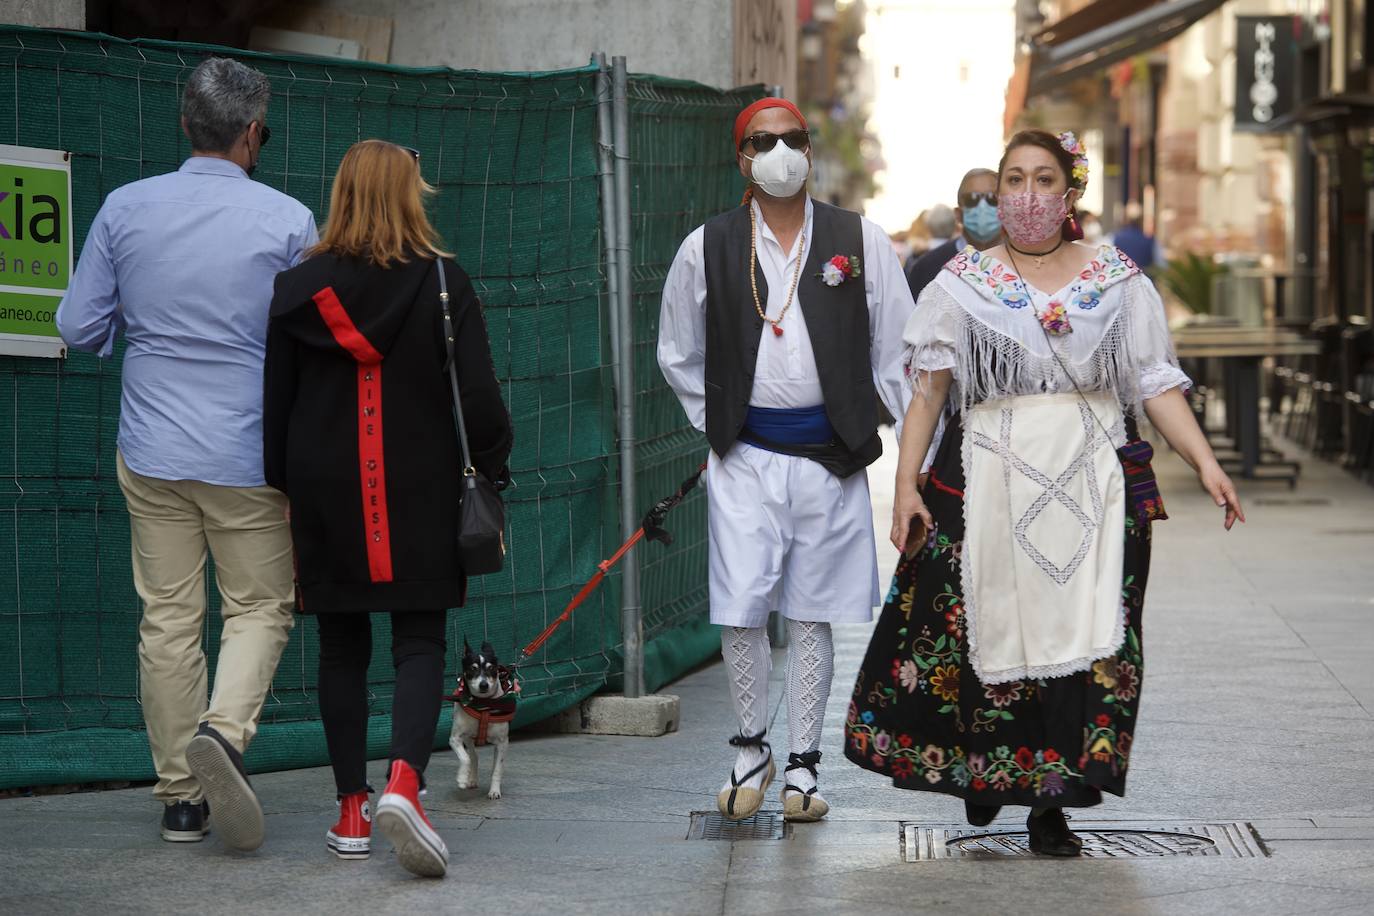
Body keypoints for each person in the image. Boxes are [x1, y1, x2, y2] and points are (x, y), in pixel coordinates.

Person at [845, 129, 1245, 856]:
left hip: (1094, 485)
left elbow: (1155, 383)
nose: (1027, 195)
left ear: (1071, 193)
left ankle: (1048, 804)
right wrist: (906, 486)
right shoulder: (963, 286)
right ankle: (987, 772)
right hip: (983, 474)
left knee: (1084, 640)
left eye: (1043, 179)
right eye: (1015, 180)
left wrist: (1208, 463)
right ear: (998, 192)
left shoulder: (1117, 281)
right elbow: (928, 396)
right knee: (980, 626)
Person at [55, 57, 316, 851]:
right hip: (247, 450)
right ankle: (225, 737)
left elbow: (77, 327)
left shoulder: (125, 209)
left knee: (168, 618)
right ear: (252, 134)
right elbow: (311, 344)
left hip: (153, 445)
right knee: (261, 607)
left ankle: (178, 797)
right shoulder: (287, 221)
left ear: (184, 125)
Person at [657, 98, 913, 824]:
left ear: (811, 149)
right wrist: (721, 425)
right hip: (746, 455)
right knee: (740, 610)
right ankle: (750, 749)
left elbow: (897, 346)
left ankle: (803, 764)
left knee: (811, 613)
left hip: (831, 458)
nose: (780, 153)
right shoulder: (706, 245)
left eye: (792, 139)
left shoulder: (858, 239)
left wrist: (888, 438)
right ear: (741, 159)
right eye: (763, 142)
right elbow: (679, 351)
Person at [264, 140, 512, 877]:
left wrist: (289, 487)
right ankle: (406, 782)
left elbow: (274, 410)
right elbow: (483, 404)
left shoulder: (297, 289)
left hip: (323, 488)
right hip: (421, 485)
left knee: (341, 647)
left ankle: (351, 810)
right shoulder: (444, 281)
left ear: (340, 195)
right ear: (410, 196)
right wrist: (493, 470)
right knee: (418, 641)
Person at [905, 168, 1002, 304]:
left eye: (992, 198)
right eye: (972, 199)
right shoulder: (926, 268)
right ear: (958, 214)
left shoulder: (1023, 263)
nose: (982, 207)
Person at [1111, 201, 1164, 270]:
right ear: (1141, 219)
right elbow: (1161, 263)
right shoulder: (1150, 240)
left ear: (1125, 219)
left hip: (1123, 279)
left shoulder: (1115, 238)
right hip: (1143, 278)